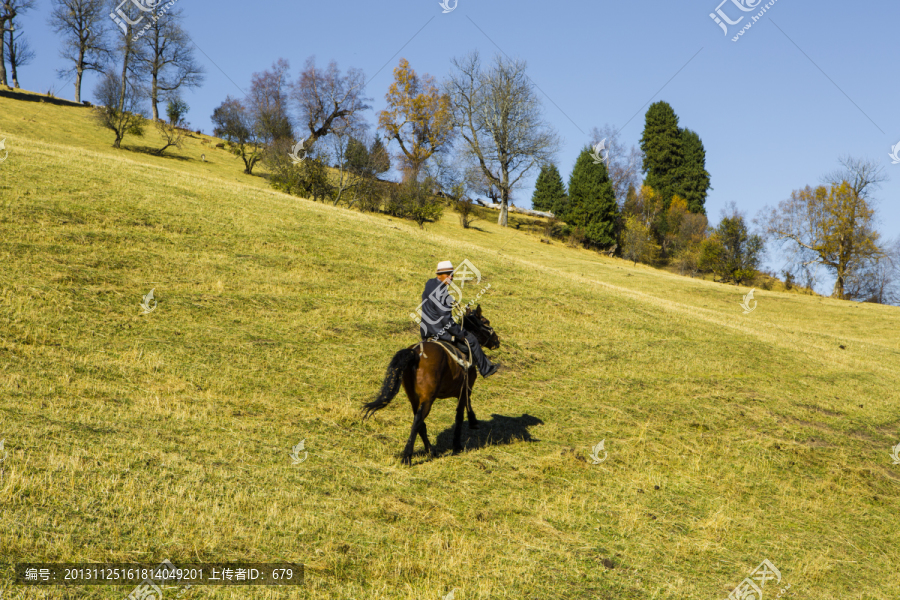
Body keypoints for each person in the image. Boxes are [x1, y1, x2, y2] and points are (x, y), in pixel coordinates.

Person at [419, 261, 499, 378]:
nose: (451, 277)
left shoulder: (430, 283)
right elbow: (446, 321)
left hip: (425, 331)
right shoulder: (443, 293)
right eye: (448, 275)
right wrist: (460, 334)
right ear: (439, 275)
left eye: (452, 274)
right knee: (472, 340)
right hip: (440, 332)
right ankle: (486, 369)